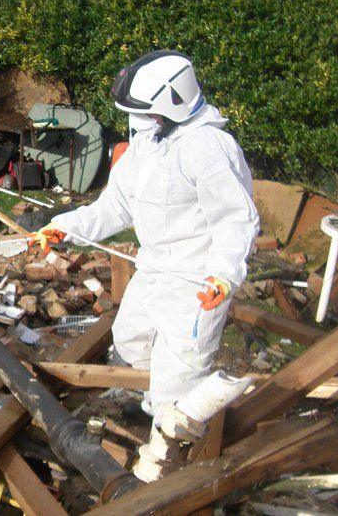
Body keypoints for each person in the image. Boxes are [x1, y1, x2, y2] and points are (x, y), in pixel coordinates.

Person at [29, 50, 260, 481]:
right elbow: (115, 206)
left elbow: (235, 218)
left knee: (179, 381)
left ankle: (170, 470)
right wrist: (63, 227)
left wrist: (224, 275)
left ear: (172, 104)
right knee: (130, 345)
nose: (138, 120)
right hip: (153, 270)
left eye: (144, 113)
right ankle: (140, 426)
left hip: (196, 283)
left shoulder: (209, 147)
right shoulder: (147, 143)